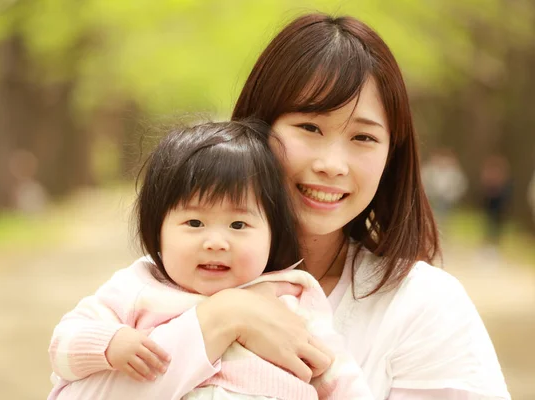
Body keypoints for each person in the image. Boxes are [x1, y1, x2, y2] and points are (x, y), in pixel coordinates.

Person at [50, 12, 510, 399]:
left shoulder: (421, 305)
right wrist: (222, 319)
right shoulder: (160, 284)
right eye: (310, 127)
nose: (332, 164)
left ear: (393, 156)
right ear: (254, 128)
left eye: (364, 137)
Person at [48, 120, 373, 399]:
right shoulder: (137, 288)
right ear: (157, 229)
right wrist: (110, 344)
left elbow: (336, 375)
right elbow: (63, 348)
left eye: (238, 225)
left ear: (273, 232)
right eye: (194, 223)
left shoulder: (293, 296)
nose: (216, 242)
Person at [421, 147, 468, 227]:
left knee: (443, 214)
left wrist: (452, 195)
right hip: (432, 197)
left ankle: (442, 227)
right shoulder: (430, 170)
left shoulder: (453, 173)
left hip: (447, 198)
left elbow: (460, 185)